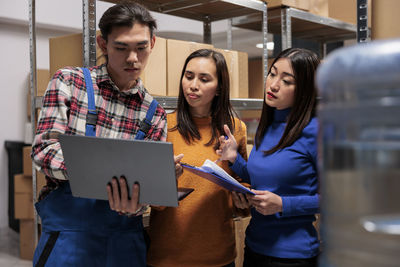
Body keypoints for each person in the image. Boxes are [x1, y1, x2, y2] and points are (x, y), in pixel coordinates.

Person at [31, 2, 178, 266]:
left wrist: (142, 199)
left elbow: (146, 193)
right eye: (121, 48)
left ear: (153, 43)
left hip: (125, 240)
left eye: (141, 48)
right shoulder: (68, 82)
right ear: (102, 43)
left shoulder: (154, 113)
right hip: (68, 238)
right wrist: (99, 174)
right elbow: (43, 150)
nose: (133, 58)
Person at [109, 49, 248, 267]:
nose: (193, 85)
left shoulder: (234, 129)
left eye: (204, 79)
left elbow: (243, 183)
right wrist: (165, 180)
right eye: (189, 76)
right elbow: (150, 198)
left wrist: (242, 201)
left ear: (220, 87)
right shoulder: (163, 125)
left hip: (219, 255)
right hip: (168, 255)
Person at [217, 47, 320, 267]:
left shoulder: (316, 131)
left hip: (293, 256)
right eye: (272, 74)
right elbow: (263, 180)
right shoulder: (269, 125)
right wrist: (235, 158)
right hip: (254, 247)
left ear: (304, 89)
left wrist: (284, 204)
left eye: (287, 81)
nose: (273, 85)